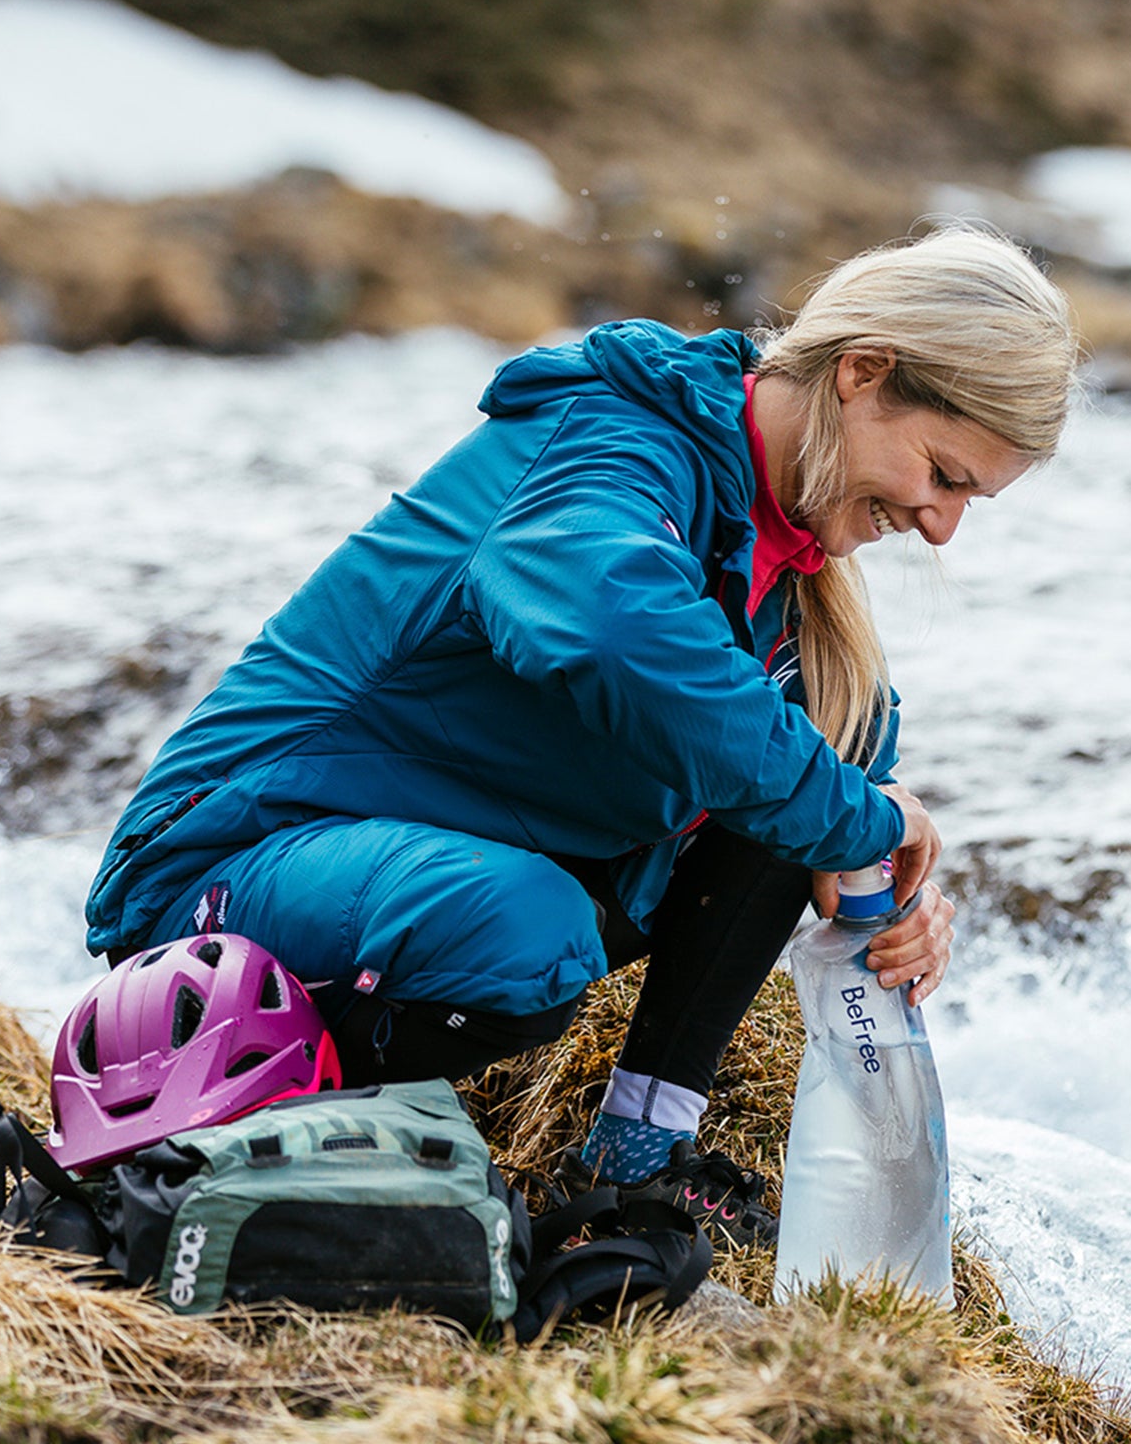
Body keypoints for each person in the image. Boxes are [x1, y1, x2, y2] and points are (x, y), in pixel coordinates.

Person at [80, 224, 1079, 1243]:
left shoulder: (782, 547)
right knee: (540, 920)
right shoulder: (615, 437)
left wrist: (888, 897)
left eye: (971, 500)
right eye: (943, 475)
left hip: (417, 873)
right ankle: (313, 1138)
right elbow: (604, 625)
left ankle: (638, 1158)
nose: (941, 523)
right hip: (223, 877)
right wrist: (851, 817)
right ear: (863, 373)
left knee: (829, 741)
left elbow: (821, 774)